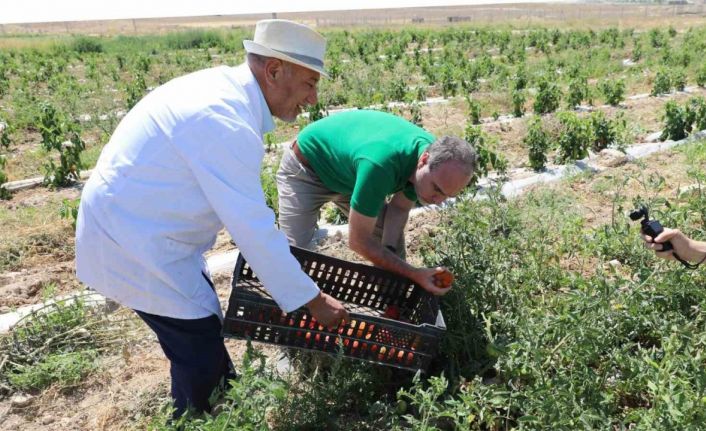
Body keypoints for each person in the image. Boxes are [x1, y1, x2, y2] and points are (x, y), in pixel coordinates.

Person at [74, 19, 349, 417]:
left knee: (200, 336)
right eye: (309, 83)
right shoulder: (222, 118)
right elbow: (251, 227)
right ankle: (196, 418)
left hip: (148, 234)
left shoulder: (222, 95)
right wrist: (314, 300)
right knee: (198, 348)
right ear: (274, 71)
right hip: (134, 240)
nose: (312, 98)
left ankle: (218, 407)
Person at [276, 110, 477, 295]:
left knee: (390, 243)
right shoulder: (382, 164)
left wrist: (388, 253)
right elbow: (358, 241)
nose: (438, 200)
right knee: (295, 256)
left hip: (352, 175)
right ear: (423, 160)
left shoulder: (431, 167)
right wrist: (414, 273)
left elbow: (398, 208)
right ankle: (286, 313)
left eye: (447, 196)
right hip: (307, 169)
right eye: (437, 189)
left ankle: (392, 303)